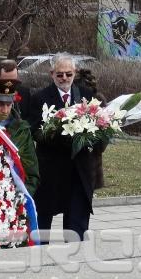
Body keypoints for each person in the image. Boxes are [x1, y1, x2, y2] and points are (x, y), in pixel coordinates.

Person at [28, 53, 95, 241]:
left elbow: (95, 126)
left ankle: (76, 256)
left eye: (68, 74)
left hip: (78, 170)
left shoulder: (86, 95)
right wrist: (57, 133)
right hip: (51, 169)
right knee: (43, 218)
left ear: (74, 73)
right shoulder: (40, 97)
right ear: (52, 74)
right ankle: (38, 254)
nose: (64, 78)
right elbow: (34, 130)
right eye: (60, 75)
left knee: (77, 224)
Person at [0, 79, 40, 196]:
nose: (5, 110)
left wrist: (20, 197)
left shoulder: (21, 129)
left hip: (13, 200)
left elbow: (32, 173)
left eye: (9, 104)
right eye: (0, 104)